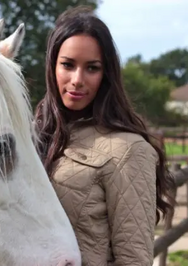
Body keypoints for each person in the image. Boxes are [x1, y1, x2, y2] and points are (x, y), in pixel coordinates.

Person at [34, 5, 175, 266]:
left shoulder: (128, 149)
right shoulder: (35, 135)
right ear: (52, 66)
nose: (77, 79)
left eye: (92, 68)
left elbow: (134, 260)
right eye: (67, 65)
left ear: (106, 74)